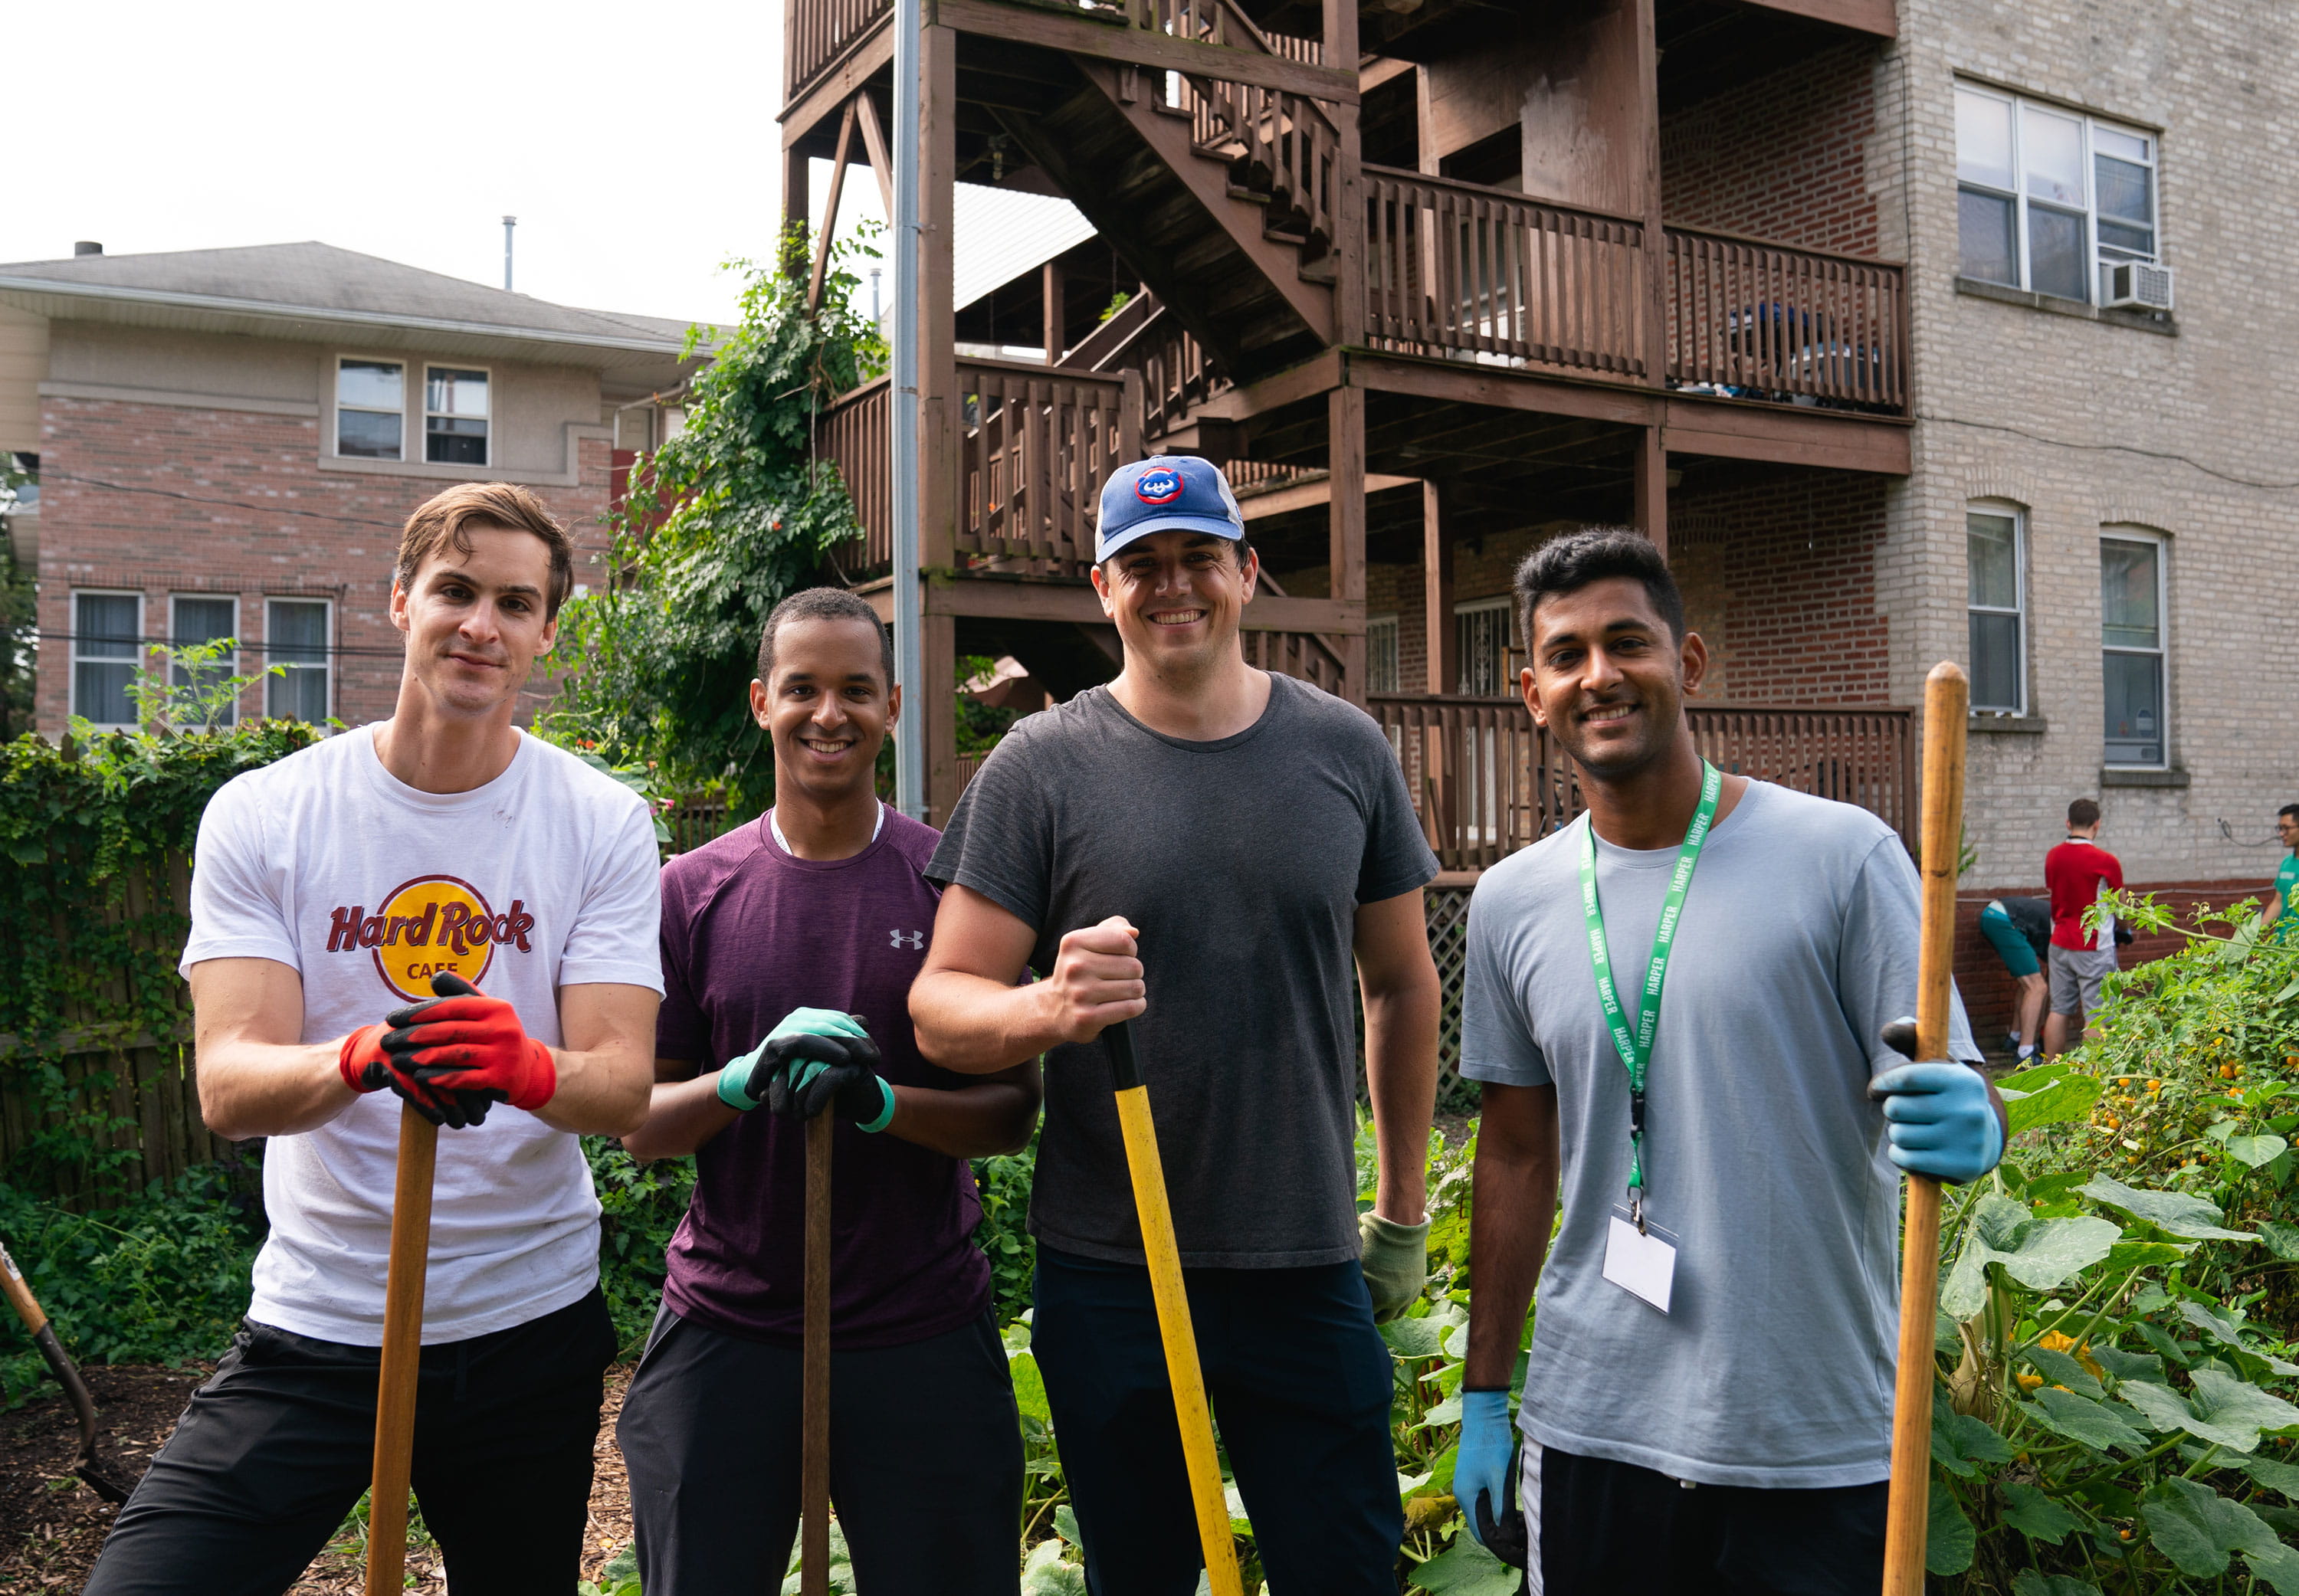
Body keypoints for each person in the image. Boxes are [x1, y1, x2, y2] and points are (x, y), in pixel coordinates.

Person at [87, 483, 664, 1596]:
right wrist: (358, 1057)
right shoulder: (267, 814)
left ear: (547, 630)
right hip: (321, 1319)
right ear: (401, 601)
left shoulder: (598, 820)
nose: (479, 624)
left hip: (525, 1322)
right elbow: (230, 1079)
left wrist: (526, 1067)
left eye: (514, 600)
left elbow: (621, 1080)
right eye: (454, 589)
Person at [907, 456, 1442, 1596]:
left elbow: (1399, 982)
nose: (1174, 586)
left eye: (1200, 557)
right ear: (1103, 588)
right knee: (1136, 1574)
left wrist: (1400, 1214)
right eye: (1142, 565)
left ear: (1247, 571)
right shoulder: (1039, 767)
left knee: (1344, 1570)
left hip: (1303, 1257)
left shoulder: (1345, 748)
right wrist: (1050, 1003)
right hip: (1113, 1268)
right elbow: (942, 1006)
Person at [1451, 529, 2002, 1596]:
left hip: (1808, 1423)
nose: (1599, 676)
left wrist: (1975, 1119)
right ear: (1532, 690)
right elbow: (1516, 1154)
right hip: (1595, 1422)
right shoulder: (1512, 900)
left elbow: (1959, 1079)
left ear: (1689, 661)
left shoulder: (1842, 857)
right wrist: (1483, 1393)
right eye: (1566, 655)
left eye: (1628, 642)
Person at [614, 587, 1038, 1596]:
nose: (828, 712)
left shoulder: (950, 885)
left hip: (918, 1324)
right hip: (731, 1326)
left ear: (892, 703)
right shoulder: (693, 891)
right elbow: (640, 1126)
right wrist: (741, 1075)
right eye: (802, 687)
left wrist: (883, 1101)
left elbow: (1012, 1111)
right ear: (762, 701)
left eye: (855, 688)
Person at [2043, 798, 2124, 1053]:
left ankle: (2050, 1073)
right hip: (2094, 946)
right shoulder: (2106, 861)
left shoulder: (2053, 856)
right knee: (2097, 1014)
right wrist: (2126, 926)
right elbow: (2120, 905)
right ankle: (2093, 1076)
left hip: (2059, 942)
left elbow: (2053, 891)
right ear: (2097, 825)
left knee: (2059, 1009)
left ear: (2068, 823)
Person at [1977, 895, 2051, 1060]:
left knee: (2030, 984)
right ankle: (2025, 1052)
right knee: (2037, 987)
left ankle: (2014, 1038)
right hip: (2005, 920)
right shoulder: (2072, 932)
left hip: (1995, 914)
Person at [2257, 804, 2299, 940]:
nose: (2281, 834)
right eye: (2280, 828)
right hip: (2281, 943)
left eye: (2286, 828)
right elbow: (2278, 902)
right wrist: (2254, 934)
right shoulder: (2287, 863)